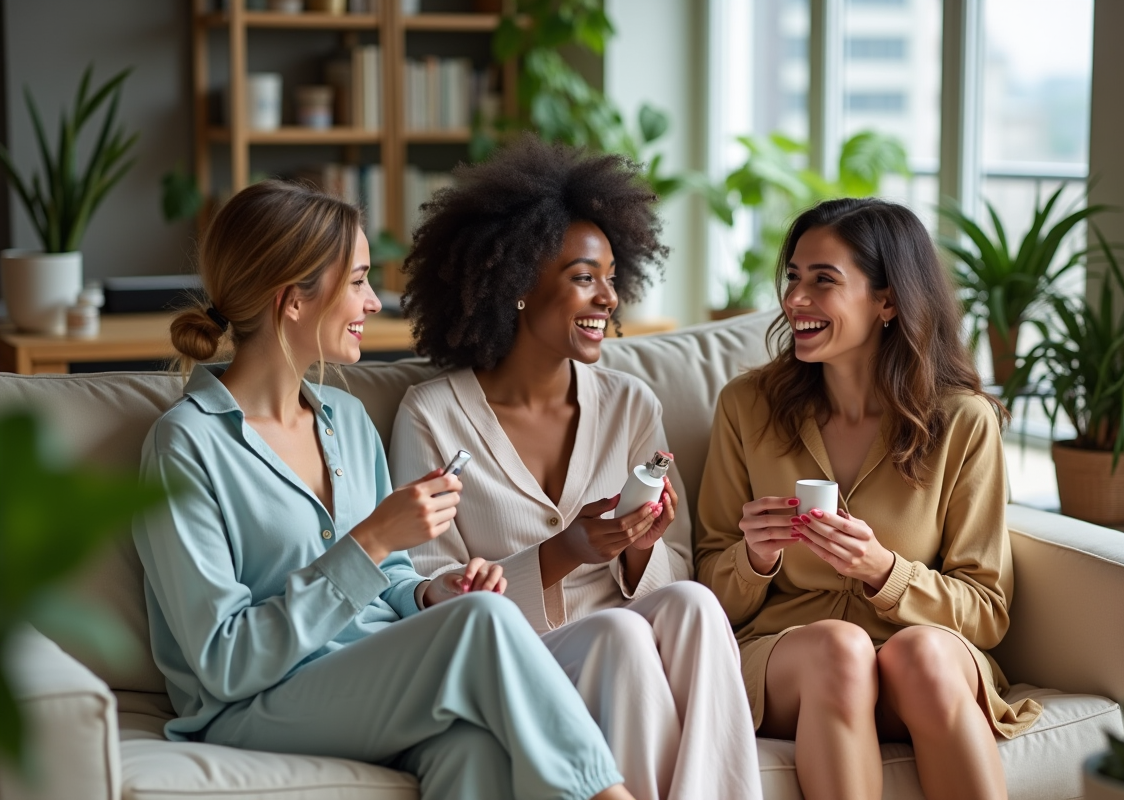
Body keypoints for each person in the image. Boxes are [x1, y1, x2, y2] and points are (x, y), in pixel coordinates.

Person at [132, 180, 636, 800]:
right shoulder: (185, 447)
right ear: (293, 301)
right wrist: (369, 541)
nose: (374, 302)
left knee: (472, 746)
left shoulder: (345, 421)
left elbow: (391, 582)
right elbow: (224, 660)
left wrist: (429, 592)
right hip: (254, 704)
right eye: (358, 281)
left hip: (372, 678)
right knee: (482, 621)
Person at [390, 135, 763, 800]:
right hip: (515, 660)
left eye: (612, 278)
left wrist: (641, 550)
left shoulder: (628, 403)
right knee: (619, 633)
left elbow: (672, 569)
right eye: (584, 278)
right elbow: (426, 589)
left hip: (627, 640)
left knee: (695, 603)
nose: (608, 299)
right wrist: (565, 552)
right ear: (518, 286)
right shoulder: (432, 415)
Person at [694, 198, 1043, 800]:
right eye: (793, 278)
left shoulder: (963, 422)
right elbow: (707, 594)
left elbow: (987, 611)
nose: (794, 299)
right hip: (793, 664)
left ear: (887, 301)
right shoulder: (746, 406)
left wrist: (885, 573)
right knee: (840, 647)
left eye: (823, 281)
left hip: (916, 660)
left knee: (923, 659)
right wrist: (754, 560)